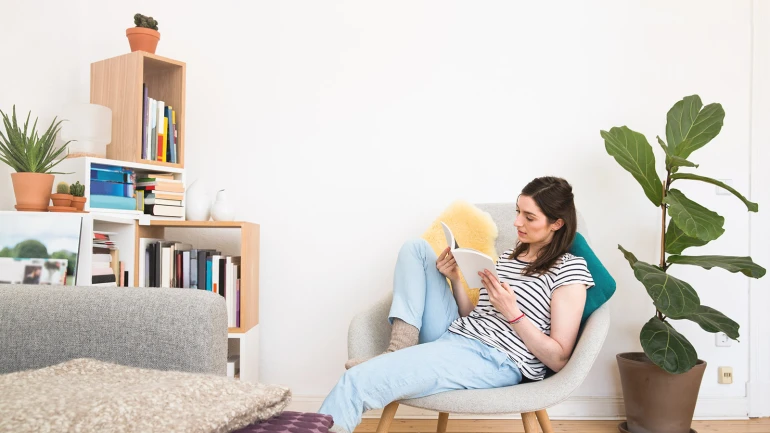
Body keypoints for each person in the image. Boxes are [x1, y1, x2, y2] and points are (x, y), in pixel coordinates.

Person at [320, 176, 595, 433]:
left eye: (529, 216)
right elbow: (474, 316)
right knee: (416, 249)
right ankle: (399, 346)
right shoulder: (512, 255)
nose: (516, 222)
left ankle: (385, 365)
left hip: (496, 359)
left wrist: (513, 313)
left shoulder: (569, 270)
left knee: (357, 381)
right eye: (517, 212)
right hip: (457, 334)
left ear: (556, 223)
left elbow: (558, 359)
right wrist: (456, 280)